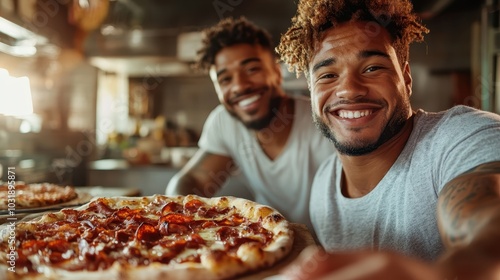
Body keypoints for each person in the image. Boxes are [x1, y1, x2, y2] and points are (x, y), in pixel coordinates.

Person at [275, 0, 500, 279]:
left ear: (406, 79)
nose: (349, 90)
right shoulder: (323, 188)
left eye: (372, 68)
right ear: (311, 93)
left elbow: (489, 236)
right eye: (328, 75)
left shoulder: (463, 137)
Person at [165, 17, 335, 231]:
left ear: (276, 71)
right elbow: (193, 181)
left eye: (252, 69)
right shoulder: (225, 122)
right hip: (266, 244)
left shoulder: (323, 119)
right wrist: (177, 215)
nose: (240, 86)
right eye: (226, 79)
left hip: (329, 250)